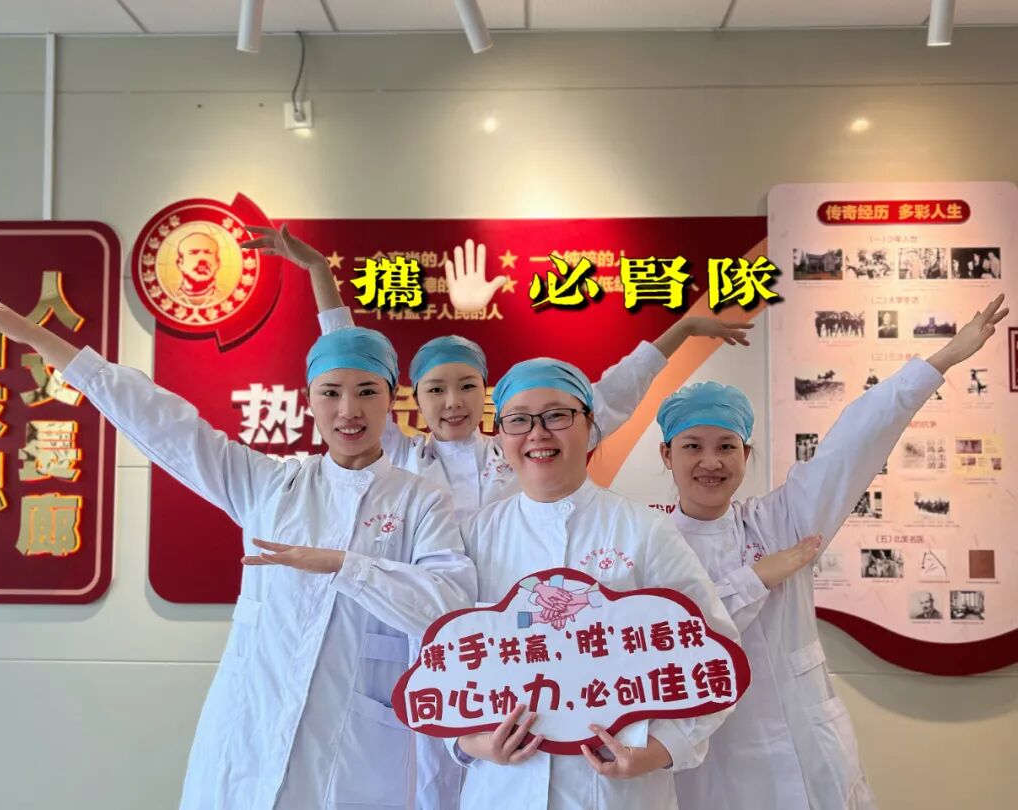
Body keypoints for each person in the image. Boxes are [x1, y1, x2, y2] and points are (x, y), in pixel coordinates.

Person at [241, 225, 753, 810]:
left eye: (466, 386)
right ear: (410, 399)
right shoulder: (415, 471)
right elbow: (348, 367)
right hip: (479, 718)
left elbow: (616, 390)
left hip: (606, 775)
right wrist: (468, 741)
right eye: (435, 389)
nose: (452, 401)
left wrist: (664, 748)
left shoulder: (609, 510)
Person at [0, 284, 477, 810]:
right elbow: (158, 420)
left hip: (358, 754)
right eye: (331, 392)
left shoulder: (422, 501)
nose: (348, 410)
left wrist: (346, 567)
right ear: (309, 400)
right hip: (248, 737)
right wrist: (36, 337)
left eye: (367, 392)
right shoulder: (272, 485)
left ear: (391, 398)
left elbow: (450, 608)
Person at [656, 294, 1008, 810]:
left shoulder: (783, 521)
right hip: (708, 758)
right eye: (692, 446)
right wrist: (758, 577)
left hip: (799, 751)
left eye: (726, 446)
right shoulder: (648, 544)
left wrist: (940, 361)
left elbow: (854, 442)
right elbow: (674, 638)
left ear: (746, 454)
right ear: (666, 454)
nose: (711, 462)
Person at [451, 358, 740, 809]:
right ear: (500, 435)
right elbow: (441, 657)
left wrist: (663, 748)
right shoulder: (472, 537)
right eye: (519, 420)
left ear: (590, 425)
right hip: (502, 790)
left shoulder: (643, 531)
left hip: (616, 791)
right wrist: (471, 742)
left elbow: (717, 652)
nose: (538, 433)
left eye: (557, 415)